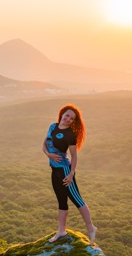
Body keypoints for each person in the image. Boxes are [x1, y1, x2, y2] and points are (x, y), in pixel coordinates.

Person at [42, 104, 98, 245]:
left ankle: (91, 228)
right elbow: (44, 144)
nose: (68, 119)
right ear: (62, 114)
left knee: (76, 199)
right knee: (61, 200)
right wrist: (49, 155)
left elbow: (74, 156)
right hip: (54, 170)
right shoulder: (52, 127)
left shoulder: (70, 135)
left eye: (71, 119)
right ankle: (61, 231)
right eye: (67, 115)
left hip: (65, 171)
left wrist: (71, 174)